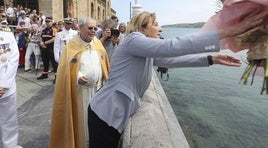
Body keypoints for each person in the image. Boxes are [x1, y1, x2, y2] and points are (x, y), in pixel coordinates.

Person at [87, 11, 268, 148]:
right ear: (142, 28)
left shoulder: (143, 51)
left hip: (111, 114)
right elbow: (172, 46)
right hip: (104, 113)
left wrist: (211, 59)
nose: (161, 28)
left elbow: (173, 60)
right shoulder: (134, 40)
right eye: (156, 24)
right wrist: (225, 32)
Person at [49, 17, 110, 148]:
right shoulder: (71, 45)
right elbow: (65, 69)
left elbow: (104, 63)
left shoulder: (98, 43)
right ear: (80, 28)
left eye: (95, 28)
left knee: (98, 122)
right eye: (90, 28)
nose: (93, 31)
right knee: (83, 122)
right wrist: (77, 76)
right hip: (81, 92)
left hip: (99, 90)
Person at [0, 21, 22, 148]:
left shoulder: (6, 34)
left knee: (9, 120)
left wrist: (3, 84)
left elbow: (13, 60)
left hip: (6, 87)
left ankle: (10, 145)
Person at [37, 16, 58, 82]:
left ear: (52, 22)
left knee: (54, 63)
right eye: (46, 22)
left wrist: (45, 43)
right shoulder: (43, 29)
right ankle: (45, 74)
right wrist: (41, 43)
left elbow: (54, 39)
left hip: (51, 48)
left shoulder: (54, 29)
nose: (47, 23)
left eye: (49, 22)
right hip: (44, 48)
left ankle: (57, 77)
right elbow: (40, 37)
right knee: (45, 62)